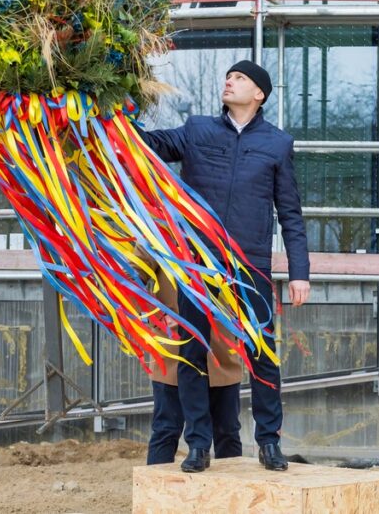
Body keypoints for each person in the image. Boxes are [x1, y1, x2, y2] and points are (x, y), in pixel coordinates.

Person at [140, 60, 310, 473]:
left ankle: (269, 442)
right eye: (228, 77)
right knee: (192, 351)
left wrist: (300, 272)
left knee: (263, 353)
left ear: (259, 94)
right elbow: (150, 145)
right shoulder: (197, 129)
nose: (229, 81)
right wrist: (112, 115)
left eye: (240, 78)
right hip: (197, 262)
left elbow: (290, 214)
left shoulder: (277, 144)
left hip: (250, 263)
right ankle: (198, 444)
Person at [145, 258, 243, 466]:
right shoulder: (158, 231)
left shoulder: (226, 230)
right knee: (166, 429)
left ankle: (232, 495)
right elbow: (129, 275)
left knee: (228, 433)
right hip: (174, 355)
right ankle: (155, 498)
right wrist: (157, 314)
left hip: (221, 356)